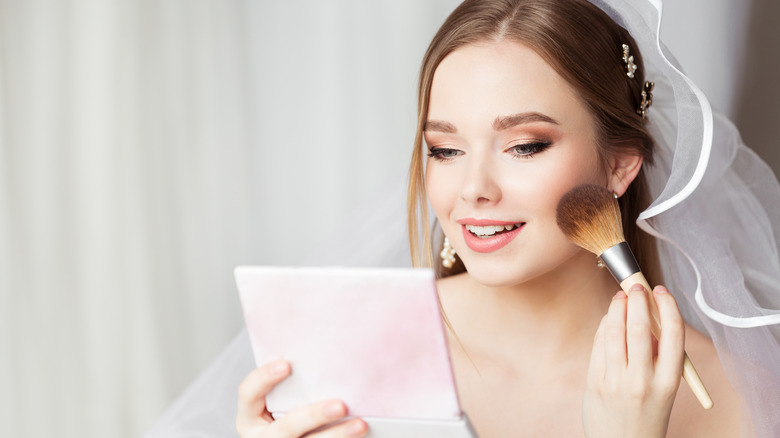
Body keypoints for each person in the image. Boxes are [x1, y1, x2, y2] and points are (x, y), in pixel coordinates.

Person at [146, 0, 780, 436]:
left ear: (619, 165)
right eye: (445, 150)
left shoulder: (739, 395)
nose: (472, 189)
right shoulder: (348, 350)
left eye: (525, 145)